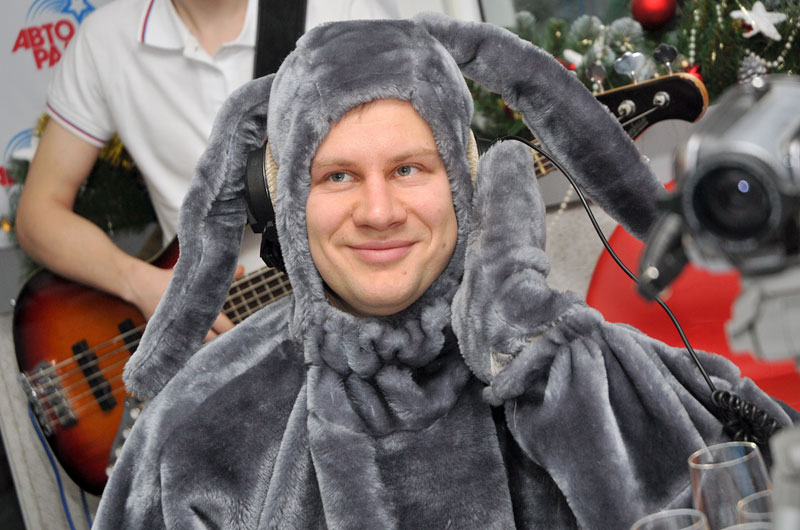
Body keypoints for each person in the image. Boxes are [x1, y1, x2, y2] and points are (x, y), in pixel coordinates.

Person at [93, 14, 798, 529]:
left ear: (463, 181)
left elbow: (739, 490)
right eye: (337, 176)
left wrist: (546, 363)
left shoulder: (586, 362)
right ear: (283, 200)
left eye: (408, 169)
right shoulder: (193, 434)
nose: (378, 211)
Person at [14, 0, 465, 339]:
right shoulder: (104, 40)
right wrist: (142, 285)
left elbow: (425, 163)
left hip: (360, 320)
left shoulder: (341, 10)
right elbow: (38, 216)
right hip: (215, 347)